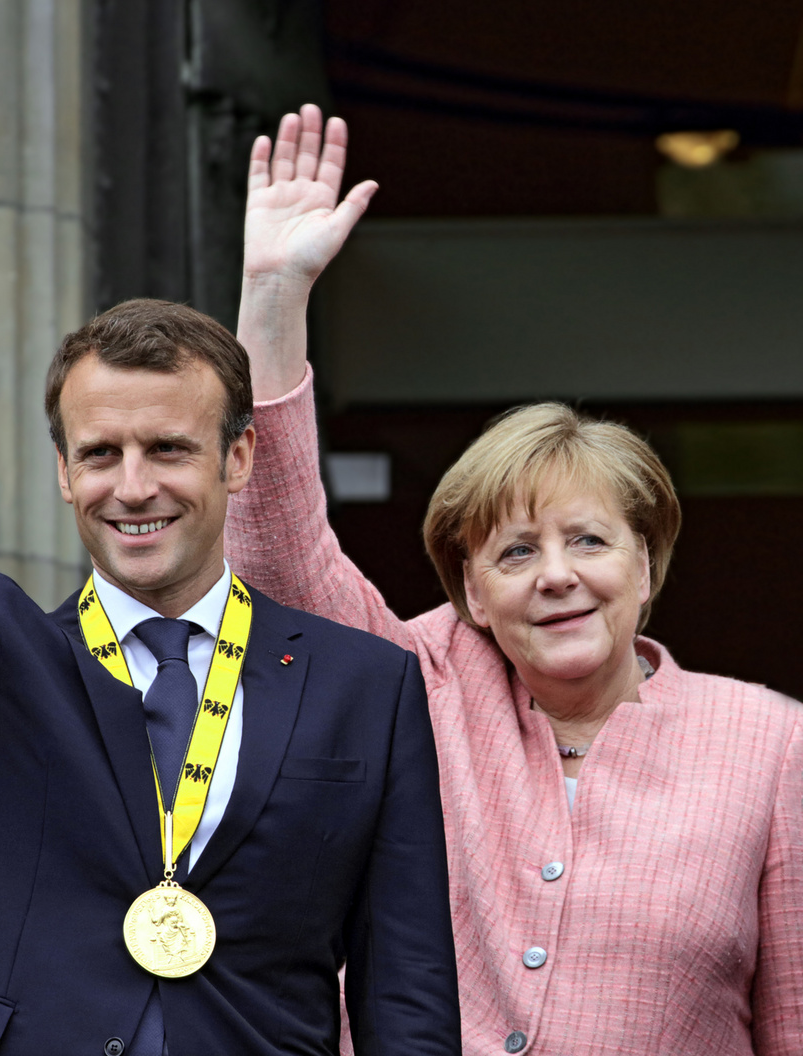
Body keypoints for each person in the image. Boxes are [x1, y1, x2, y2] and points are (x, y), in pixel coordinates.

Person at [0, 139, 461, 1055]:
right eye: (100, 454)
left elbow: (409, 992)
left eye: (168, 449)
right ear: (63, 474)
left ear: (237, 459)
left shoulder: (367, 685)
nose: (133, 486)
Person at [228, 105, 803, 1056]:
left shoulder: (771, 744)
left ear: (647, 566)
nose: (557, 579)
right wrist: (273, 297)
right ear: (471, 591)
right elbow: (281, 552)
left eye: (589, 542)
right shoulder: (415, 686)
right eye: (516, 553)